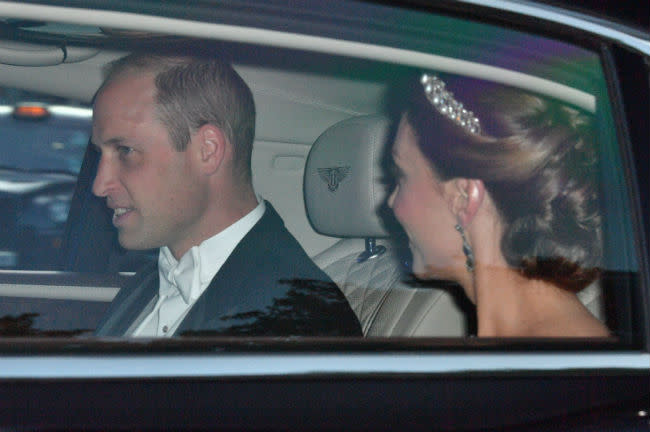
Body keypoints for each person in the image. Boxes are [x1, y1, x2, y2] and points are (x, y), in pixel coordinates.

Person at [91, 54, 361, 337]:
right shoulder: (149, 285)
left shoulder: (298, 319)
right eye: (101, 154)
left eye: (125, 151)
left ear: (207, 150)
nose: (99, 185)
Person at [387, 73, 609, 337]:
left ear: (464, 196)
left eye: (401, 176)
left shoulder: (558, 370)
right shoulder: (540, 352)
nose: (391, 202)